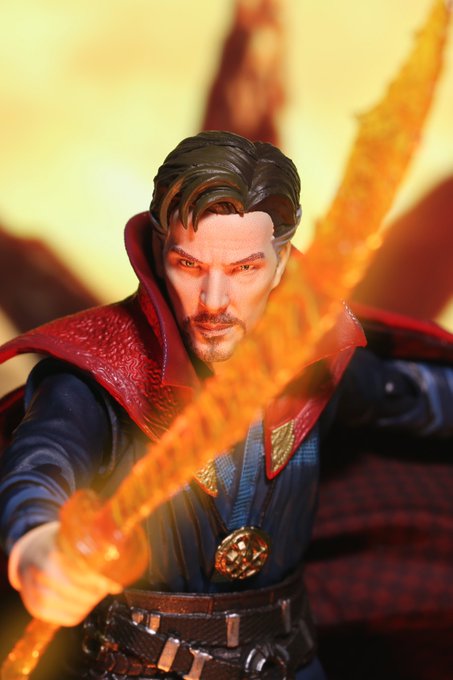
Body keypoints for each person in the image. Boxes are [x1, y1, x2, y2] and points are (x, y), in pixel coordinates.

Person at [0, 131, 452, 680]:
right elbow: (40, 464)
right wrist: (38, 546)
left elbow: (417, 397)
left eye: (244, 270)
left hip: (288, 658)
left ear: (280, 263)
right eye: (189, 266)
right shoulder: (97, 372)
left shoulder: (322, 361)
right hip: (140, 665)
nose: (214, 302)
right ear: (159, 254)